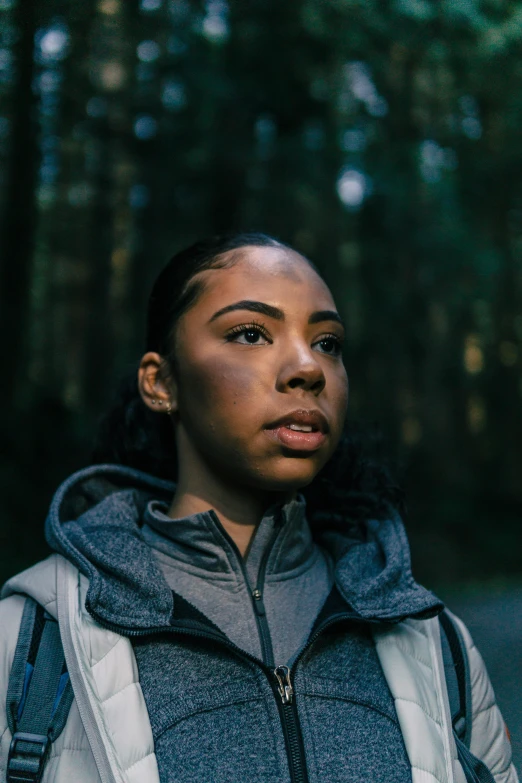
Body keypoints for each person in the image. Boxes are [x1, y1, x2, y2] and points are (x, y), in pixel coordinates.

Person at [0, 232, 517, 783]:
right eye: (251, 333)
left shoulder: (435, 644)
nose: (308, 368)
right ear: (161, 382)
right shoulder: (29, 641)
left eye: (328, 343)